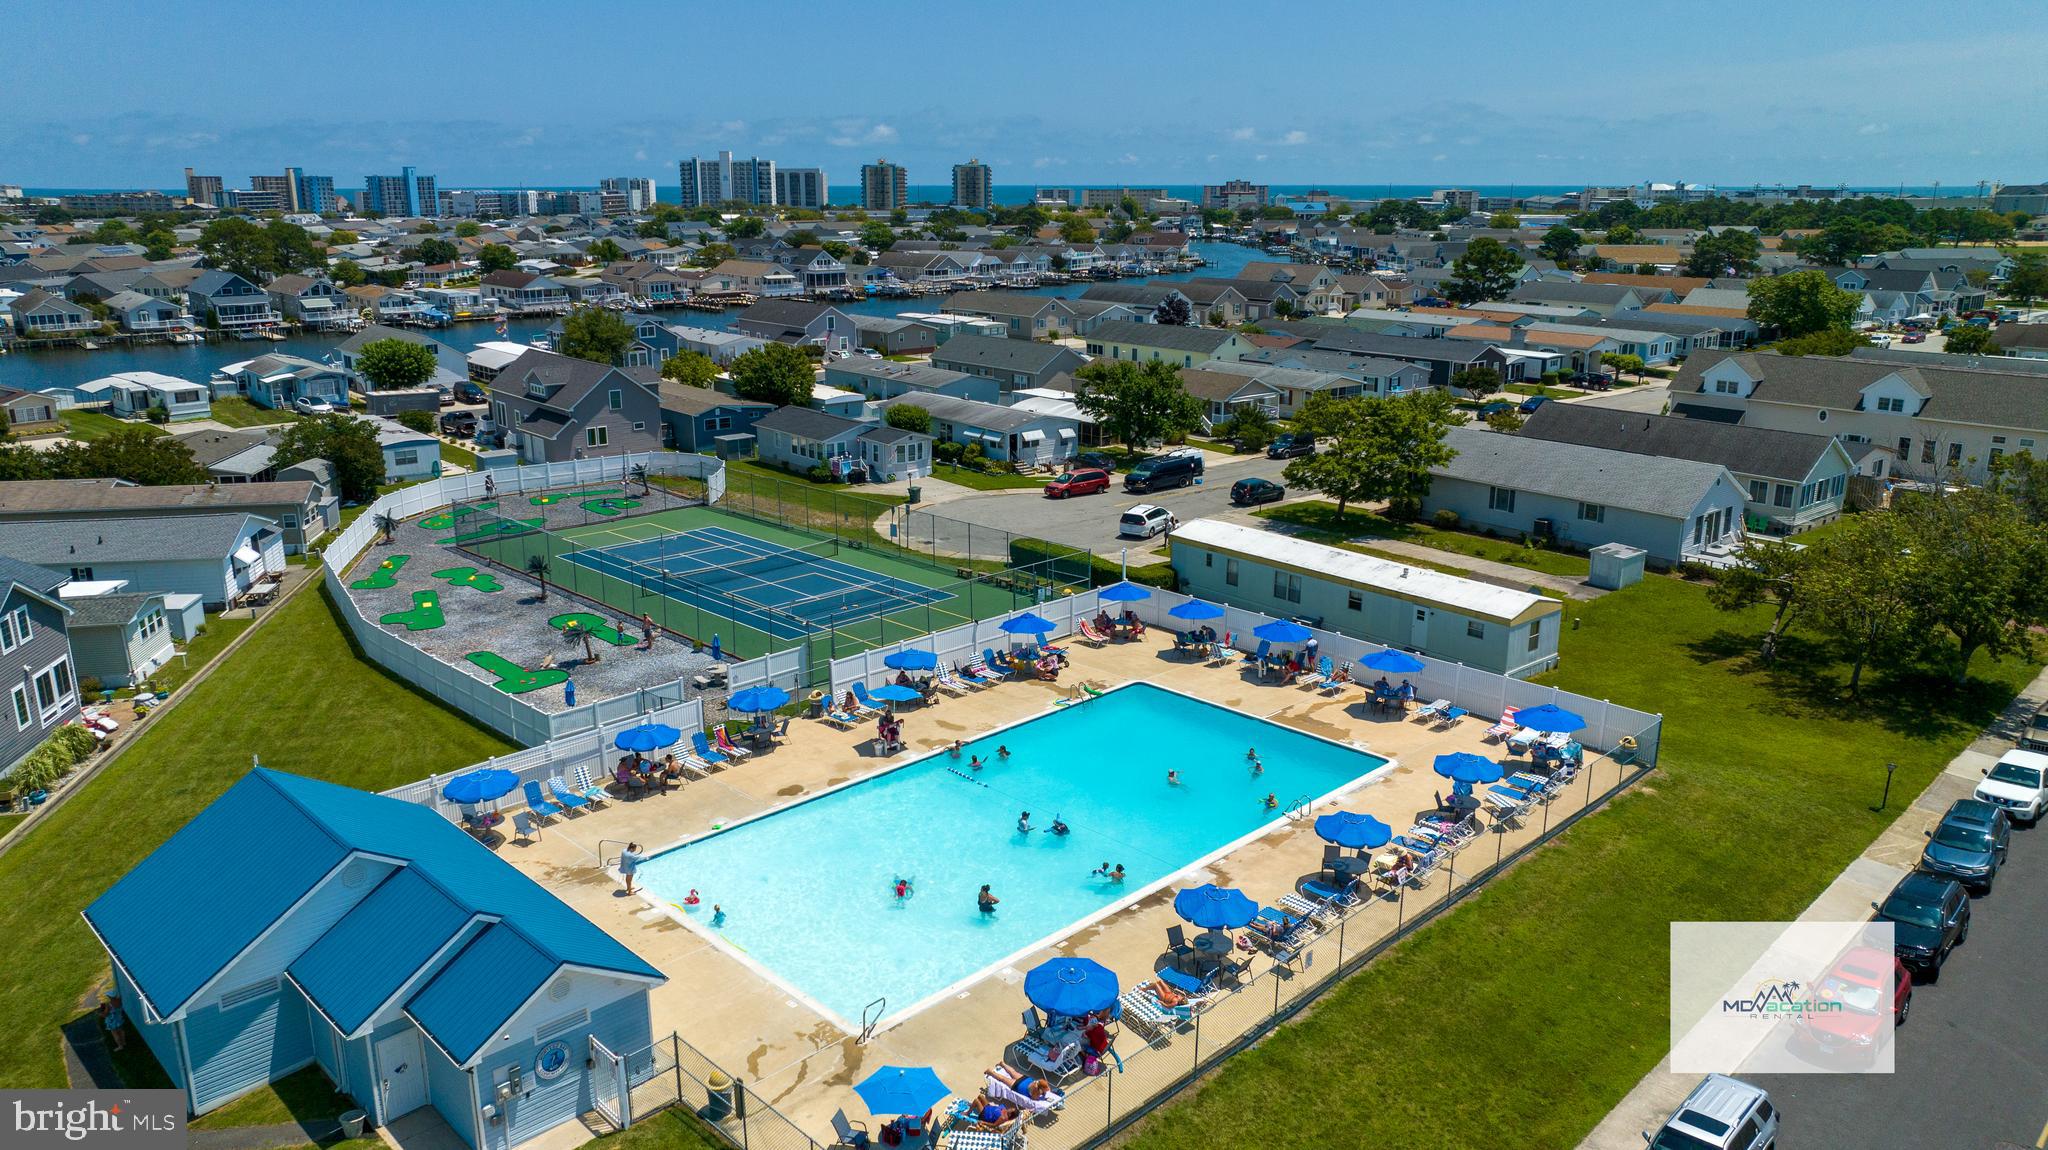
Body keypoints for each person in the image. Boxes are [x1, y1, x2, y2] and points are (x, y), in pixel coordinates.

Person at [985, 1064, 1053, 1102]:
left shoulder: (1039, 1082)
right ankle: (990, 1072)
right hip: (1020, 1085)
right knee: (1003, 1079)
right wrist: (1041, 1095)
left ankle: (1002, 1064)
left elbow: (1047, 1088)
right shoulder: (1036, 1091)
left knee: (1013, 1072)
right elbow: (1033, 1099)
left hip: (1026, 1080)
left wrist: (1043, 1092)